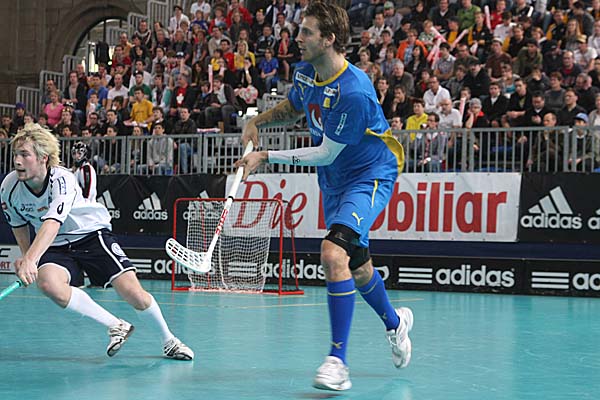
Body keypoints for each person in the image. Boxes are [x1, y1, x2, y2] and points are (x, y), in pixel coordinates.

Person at [235, 2, 413, 392]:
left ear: (329, 39)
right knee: (358, 266)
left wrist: (265, 156)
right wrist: (257, 121)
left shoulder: (354, 91)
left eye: (306, 32)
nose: (297, 38)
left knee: (333, 253)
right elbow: (294, 107)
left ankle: (338, 361)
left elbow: (326, 152)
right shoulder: (305, 73)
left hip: (368, 176)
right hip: (334, 181)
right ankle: (396, 323)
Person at [0, 124, 194, 360]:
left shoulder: (62, 179)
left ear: (43, 158)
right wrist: (26, 257)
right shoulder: (9, 187)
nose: (17, 161)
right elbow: (18, 223)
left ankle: (169, 341)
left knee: (133, 293)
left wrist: (31, 258)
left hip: (90, 234)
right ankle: (116, 325)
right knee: (49, 284)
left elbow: (53, 222)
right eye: (16, 154)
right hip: (54, 244)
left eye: (24, 154)